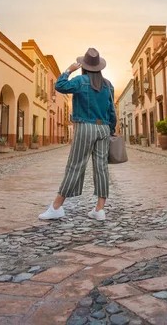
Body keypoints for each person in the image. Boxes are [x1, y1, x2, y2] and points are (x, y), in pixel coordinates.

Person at [38, 48, 116, 222]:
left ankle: (56, 207)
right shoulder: (108, 84)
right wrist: (111, 129)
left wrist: (68, 70)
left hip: (85, 127)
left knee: (75, 165)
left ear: (84, 66)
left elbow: (60, 86)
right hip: (104, 128)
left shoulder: (81, 81)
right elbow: (112, 111)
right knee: (101, 167)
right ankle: (99, 209)